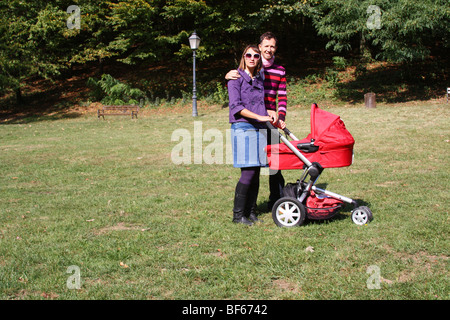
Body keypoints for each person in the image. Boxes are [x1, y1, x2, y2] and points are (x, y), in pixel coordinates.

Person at [226, 32, 287, 210]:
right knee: (253, 166)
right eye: (265, 46)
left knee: (275, 164)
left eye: (272, 46)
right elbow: (239, 83)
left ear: (275, 48)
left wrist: (280, 116)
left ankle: (276, 201)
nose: (269, 49)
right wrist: (228, 75)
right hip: (253, 119)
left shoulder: (279, 70)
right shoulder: (254, 67)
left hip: (271, 120)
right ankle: (247, 208)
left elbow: (281, 97)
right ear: (259, 47)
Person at [228, 45, 273, 226]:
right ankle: (238, 216)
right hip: (243, 127)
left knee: (256, 172)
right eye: (249, 55)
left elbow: (261, 103)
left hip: (259, 127)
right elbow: (236, 107)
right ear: (243, 57)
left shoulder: (260, 78)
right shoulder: (235, 78)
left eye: (256, 55)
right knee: (248, 171)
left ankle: (251, 212)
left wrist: (271, 116)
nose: (252, 58)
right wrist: (259, 117)